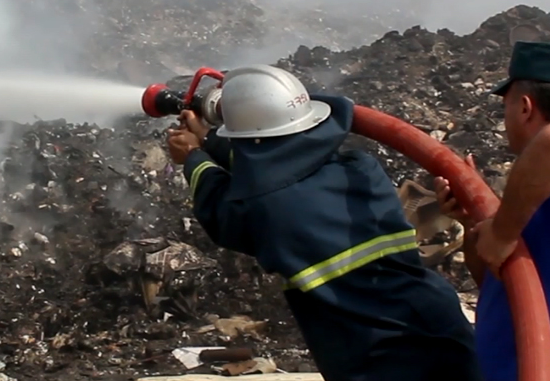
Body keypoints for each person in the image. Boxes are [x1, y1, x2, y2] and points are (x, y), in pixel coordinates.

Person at [167, 64, 482, 381]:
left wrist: (193, 156)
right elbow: (278, 164)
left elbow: (225, 208)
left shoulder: (267, 211)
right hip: (438, 323)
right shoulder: (360, 168)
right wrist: (209, 138)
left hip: (377, 356)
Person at [434, 40, 550, 381]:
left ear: (525, 107)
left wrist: (502, 232)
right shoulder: (536, 195)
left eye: (505, 106)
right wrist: (474, 223)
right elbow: (496, 278)